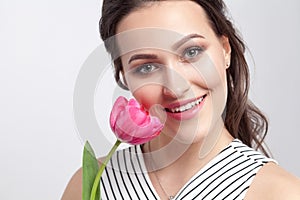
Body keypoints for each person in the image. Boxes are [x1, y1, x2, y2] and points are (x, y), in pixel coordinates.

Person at [62, 0, 300, 199]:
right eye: (146, 67)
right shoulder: (91, 184)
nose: (176, 87)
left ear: (225, 49)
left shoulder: (280, 193)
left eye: (192, 52)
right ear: (124, 76)